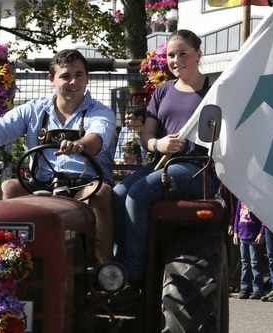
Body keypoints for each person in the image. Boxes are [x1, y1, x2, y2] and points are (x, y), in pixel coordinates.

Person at [0, 49, 117, 263]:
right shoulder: (34, 110)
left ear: (87, 78)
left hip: (84, 187)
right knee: (10, 187)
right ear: (51, 79)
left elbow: (99, 135)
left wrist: (80, 145)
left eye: (79, 75)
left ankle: (103, 270)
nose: (73, 82)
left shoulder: (100, 112)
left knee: (101, 192)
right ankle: (10, 260)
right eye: (65, 76)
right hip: (41, 186)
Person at [112, 29, 220, 290]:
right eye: (171, 55)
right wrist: (158, 143)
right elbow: (147, 135)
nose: (176, 60)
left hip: (198, 169)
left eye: (183, 53)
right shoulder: (162, 91)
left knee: (140, 192)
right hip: (163, 163)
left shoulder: (214, 91)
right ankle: (114, 267)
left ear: (198, 55)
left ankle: (134, 274)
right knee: (117, 192)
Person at [233, 200, 265, 300]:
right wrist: (235, 232)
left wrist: (261, 233)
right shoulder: (240, 201)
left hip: (254, 236)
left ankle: (257, 289)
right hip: (242, 235)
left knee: (255, 263)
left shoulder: (258, 201)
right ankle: (245, 288)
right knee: (245, 263)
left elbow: (264, 218)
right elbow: (237, 216)